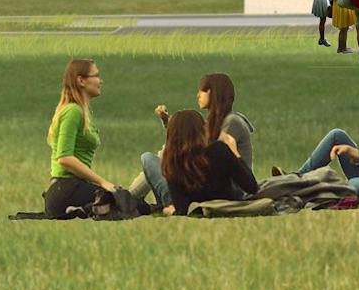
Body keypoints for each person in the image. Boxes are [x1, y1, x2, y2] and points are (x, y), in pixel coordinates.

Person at [132, 71, 257, 206]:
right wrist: (168, 121)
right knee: (165, 156)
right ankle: (129, 197)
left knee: (152, 158)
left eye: (202, 91)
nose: (198, 95)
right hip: (208, 185)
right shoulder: (213, 122)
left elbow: (208, 155)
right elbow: (192, 138)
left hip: (230, 189)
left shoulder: (232, 122)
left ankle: (129, 198)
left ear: (213, 92)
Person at [141, 109, 260, 213]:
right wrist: (235, 153)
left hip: (190, 205)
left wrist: (169, 211)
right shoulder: (219, 150)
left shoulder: (174, 161)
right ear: (202, 130)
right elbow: (252, 187)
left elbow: (181, 209)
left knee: (147, 158)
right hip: (226, 201)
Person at [43, 58, 117, 218]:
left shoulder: (80, 112)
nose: (100, 81)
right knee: (127, 203)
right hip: (67, 189)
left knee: (128, 200)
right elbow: (64, 157)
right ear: (81, 80)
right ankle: (87, 209)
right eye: (96, 75)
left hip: (70, 189)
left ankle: (85, 210)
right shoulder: (72, 111)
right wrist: (102, 182)